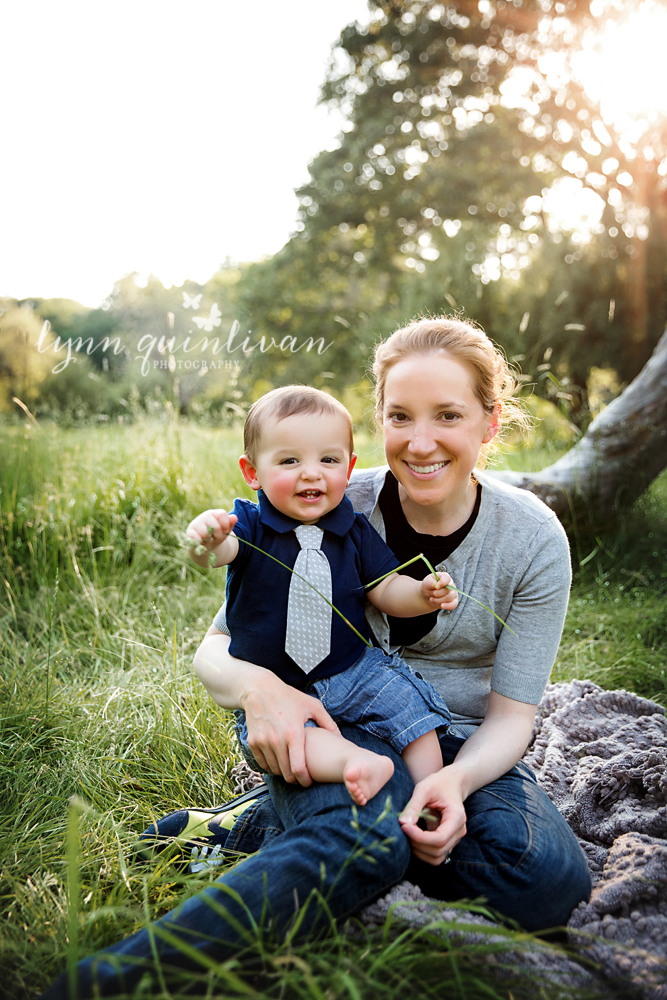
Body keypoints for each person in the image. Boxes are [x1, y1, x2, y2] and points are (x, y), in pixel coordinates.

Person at [40, 316, 592, 999]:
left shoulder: (532, 537)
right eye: (399, 416)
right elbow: (217, 649)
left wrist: (454, 785)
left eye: (447, 414)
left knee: (541, 882)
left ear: (488, 421)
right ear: (377, 422)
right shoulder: (324, 498)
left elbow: (512, 716)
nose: (419, 442)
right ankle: (114, 983)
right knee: (370, 837)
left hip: (461, 744)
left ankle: (266, 829)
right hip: (344, 731)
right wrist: (258, 692)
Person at [184, 385, 456, 807]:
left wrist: (423, 593)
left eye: (327, 460)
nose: (311, 473)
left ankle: (430, 795)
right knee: (295, 746)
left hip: (354, 669)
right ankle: (353, 763)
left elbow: (384, 589)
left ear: (348, 469)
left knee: (411, 709)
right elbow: (220, 553)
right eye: (289, 460)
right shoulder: (252, 527)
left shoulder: (354, 529)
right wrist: (206, 538)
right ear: (253, 471)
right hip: (280, 686)